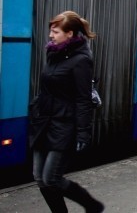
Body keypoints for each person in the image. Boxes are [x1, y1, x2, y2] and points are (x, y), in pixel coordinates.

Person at [29, 11, 104, 212]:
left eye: (55, 32)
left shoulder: (82, 60)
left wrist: (83, 133)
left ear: (69, 34)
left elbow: (83, 99)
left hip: (64, 125)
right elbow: (47, 87)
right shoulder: (53, 53)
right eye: (51, 31)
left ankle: (92, 205)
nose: (51, 36)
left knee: (51, 178)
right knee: (39, 177)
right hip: (43, 122)